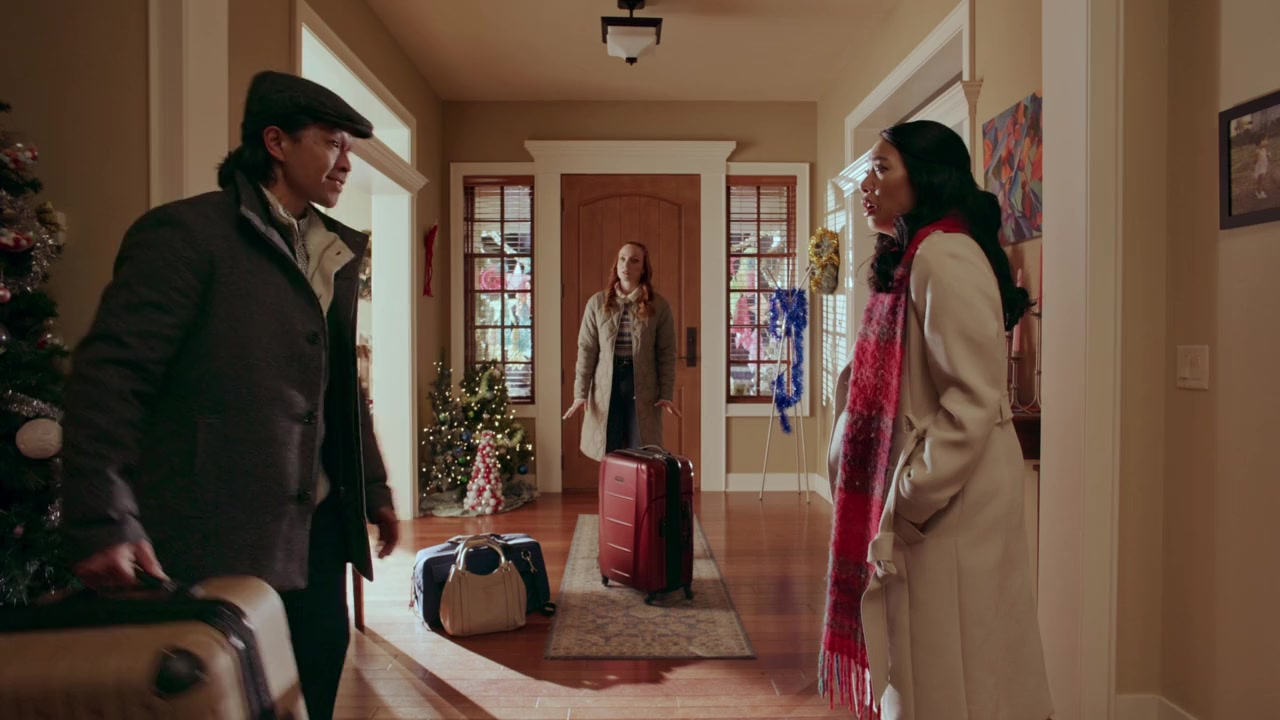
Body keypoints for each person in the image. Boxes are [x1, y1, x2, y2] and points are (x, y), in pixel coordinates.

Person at [60, 70, 401, 720]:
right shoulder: (185, 236)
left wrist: (374, 487)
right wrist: (103, 517)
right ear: (276, 142)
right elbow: (111, 376)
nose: (346, 162)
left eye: (349, 148)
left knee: (313, 679)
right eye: (332, 142)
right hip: (219, 537)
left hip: (318, 537)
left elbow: (339, 388)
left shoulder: (329, 251)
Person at [819, 120, 1052, 720]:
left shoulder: (944, 257)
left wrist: (909, 497)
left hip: (951, 505)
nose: (867, 183)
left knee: (954, 675)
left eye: (882, 168)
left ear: (924, 178)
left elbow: (972, 401)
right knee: (928, 668)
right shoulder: (913, 258)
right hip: (937, 506)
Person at [563, 242, 680, 460]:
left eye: (634, 260)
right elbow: (586, 350)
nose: (626, 265)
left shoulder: (659, 306)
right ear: (616, 264)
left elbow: (666, 353)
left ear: (643, 268)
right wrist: (580, 393)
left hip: (642, 385)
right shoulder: (597, 303)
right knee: (610, 450)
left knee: (642, 452)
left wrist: (666, 393)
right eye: (622, 259)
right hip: (607, 384)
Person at [1255, 135, 1270, 200]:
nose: (1266, 142)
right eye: (1264, 140)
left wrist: (1268, 156)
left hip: (1263, 167)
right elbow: (1254, 161)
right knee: (1260, 181)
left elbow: (1267, 158)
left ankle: (1258, 191)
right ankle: (1260, 193)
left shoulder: (1264, 149)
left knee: (1261, 181)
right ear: (1259, 143)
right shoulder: (1257, 151)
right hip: (1260, 169)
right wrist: (1256, 159)